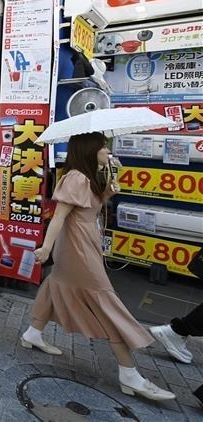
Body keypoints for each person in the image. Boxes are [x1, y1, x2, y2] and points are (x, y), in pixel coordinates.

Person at [22, 132, 174, 401]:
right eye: (103, 147)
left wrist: (107, 190)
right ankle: (129, 374)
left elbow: (90, 209)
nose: (107, 151)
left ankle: (33, 333)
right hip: (77, 247)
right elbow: (59, 217)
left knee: (58, 283)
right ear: (90, 150)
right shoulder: (76, 177)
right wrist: (46, 248)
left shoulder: (91, 176)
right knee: (104, 300)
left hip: (83, 242)